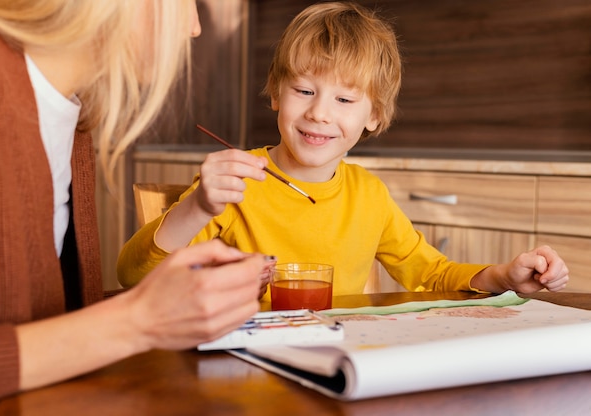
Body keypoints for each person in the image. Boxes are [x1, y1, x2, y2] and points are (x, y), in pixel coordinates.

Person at [117, 2, 569, 299]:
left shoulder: (369, 195)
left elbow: (430, 273)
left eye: (345, 100)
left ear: (374, 116)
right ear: (275, 92)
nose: (319, 113)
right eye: (304, 90)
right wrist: (196, 206)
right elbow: (132, 277)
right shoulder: (233, 186)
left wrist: (504, 277)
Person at [0, 1, 268, 413]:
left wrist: (173, 307)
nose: (195, 28)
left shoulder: (72, 118)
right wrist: (137, 320)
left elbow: (44, 319)